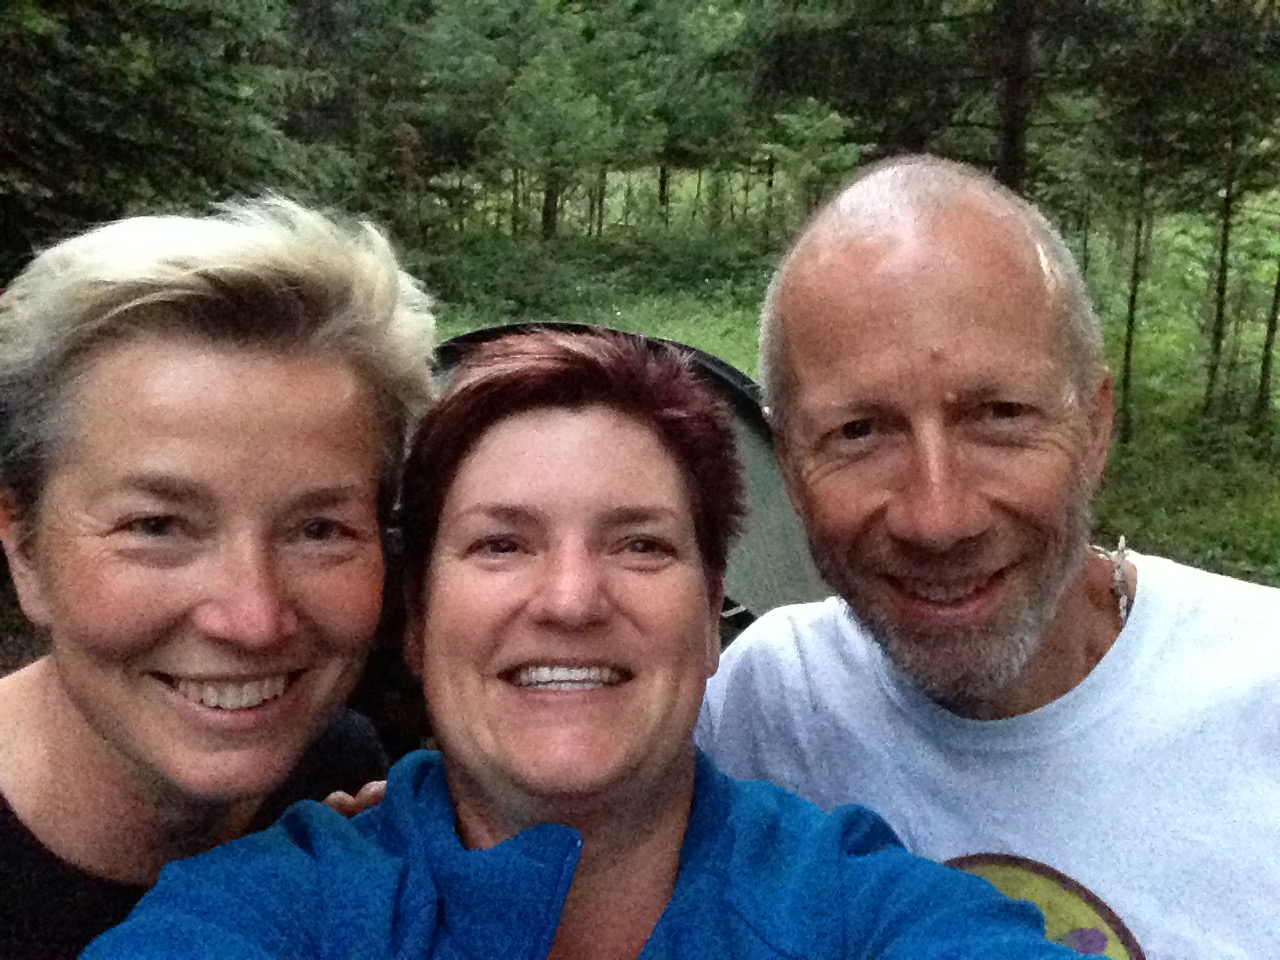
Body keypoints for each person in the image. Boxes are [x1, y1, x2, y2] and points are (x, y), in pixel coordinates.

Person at [85, 328, 1086, 959]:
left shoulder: (854, 909)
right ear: (417, 621)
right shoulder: (278, 911)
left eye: (640, 544)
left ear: (710, 618)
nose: (570, 600)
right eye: (500, 544)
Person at [697, 154, 1280, 958]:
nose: (938, 519)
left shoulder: (1262, 693)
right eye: (859, 432)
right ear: (789, 465)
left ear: (1095, 427)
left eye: (999, 416)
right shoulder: (762, 707)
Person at [0, 196, 436, 956]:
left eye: (319, 530)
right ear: (23, 547)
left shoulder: (338, 776)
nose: (253, 620)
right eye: (157, 526)